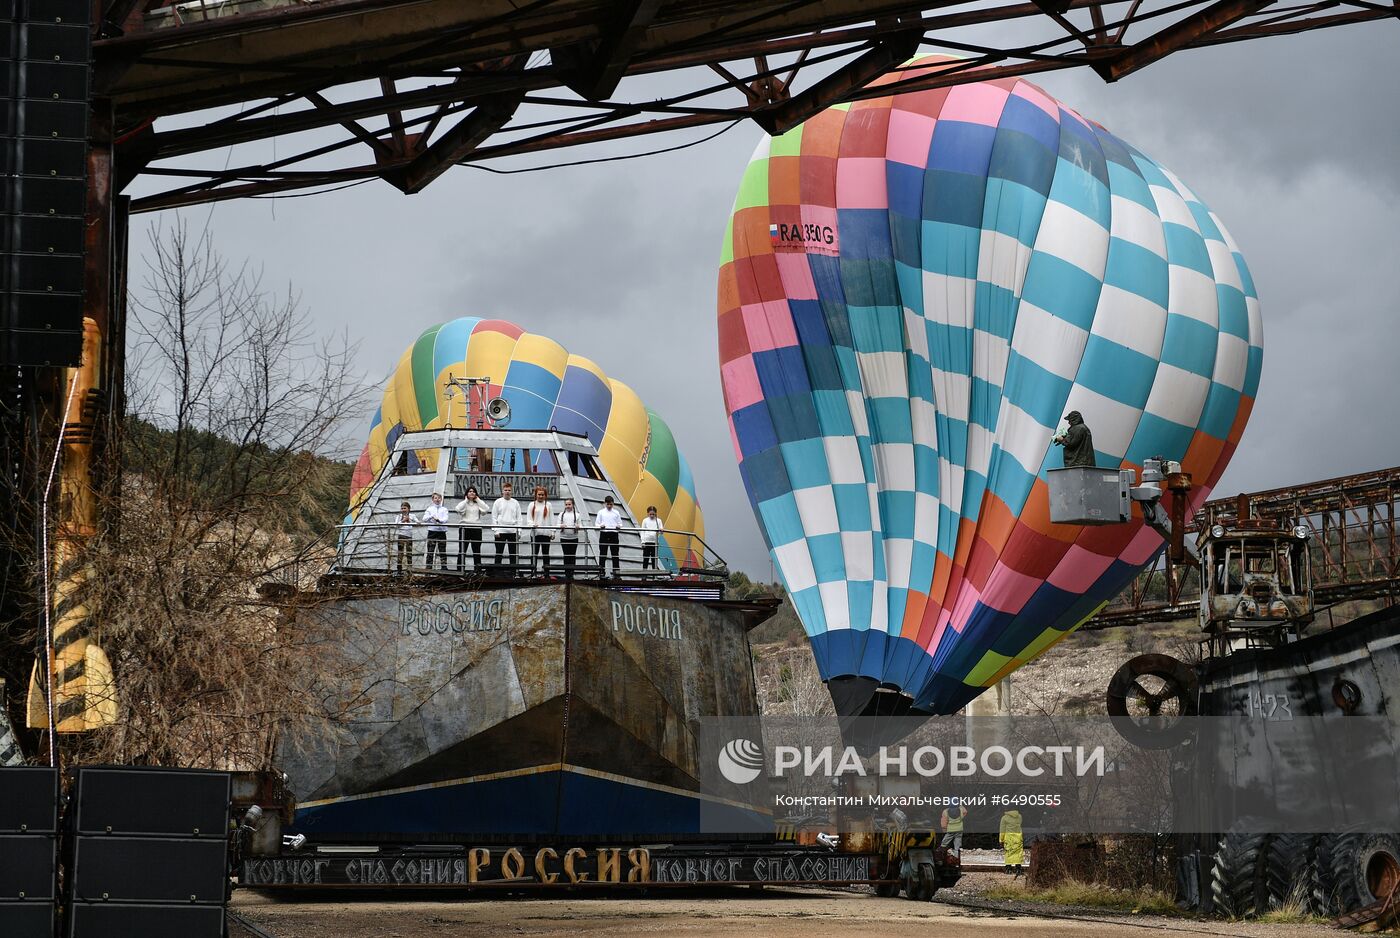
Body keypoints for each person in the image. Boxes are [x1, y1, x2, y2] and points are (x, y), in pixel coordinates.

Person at [491, 481, 522, 572]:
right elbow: (494, 517)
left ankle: (513, 571)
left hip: (512, 531)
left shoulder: (515, 502)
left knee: (513, 553)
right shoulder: (498, 502)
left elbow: (519, 518)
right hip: (500, 531)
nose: (507, 492)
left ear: (511, 491)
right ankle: (496, 572)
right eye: (505, 490)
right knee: (499, 552)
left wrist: (519, 530)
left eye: (509, 490)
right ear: (502, 491)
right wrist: (495, 530)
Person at [454, 486, 486, 571]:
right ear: (467, 493)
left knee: (476, 550)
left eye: (473, 491)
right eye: (470, 491)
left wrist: (478, 499)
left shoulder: (478, 503)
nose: (472, 493)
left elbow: (486, 509)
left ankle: (477, 570)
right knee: (462, 549)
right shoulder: (464, 503)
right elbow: (457, 509)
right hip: (465, 528)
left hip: (476, 528)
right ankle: (460, 569)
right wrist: (465, 500)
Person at [526, 485, 553, 575]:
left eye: (542, 495)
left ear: (545, 495)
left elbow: (551, 518)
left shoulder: (548, 505)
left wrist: (553, 531)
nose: (540, 496)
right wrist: (532, 524)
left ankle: (546, 573)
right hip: (535, 533)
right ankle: (533, 572)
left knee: (546, 554)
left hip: (546, 533)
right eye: (539, 494)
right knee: (534, 553)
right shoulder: (531, 504)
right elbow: (529, 519)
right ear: (536, 495)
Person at [595, 495, 622, 578]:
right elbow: (596, 524)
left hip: (614, 533)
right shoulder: (601, 512)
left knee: (615, 554)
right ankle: (602, 573)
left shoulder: (616, 512)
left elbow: (620, 523)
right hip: (604, 533)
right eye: (608, 504)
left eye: (611, 504)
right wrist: (600, 526)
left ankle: (616, 573)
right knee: (603, 554)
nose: (609, 506)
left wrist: (618, 526)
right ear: (605, 504)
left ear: (613, 504)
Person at [422, 492, 450, 570]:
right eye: (435, 498)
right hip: (432, 531)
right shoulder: (430, 509)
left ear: (441, 499)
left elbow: (445, 519)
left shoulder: (444, 509)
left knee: (442, 550)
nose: (437, 500)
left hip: (441, 531)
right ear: (433, 499)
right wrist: (431, 516)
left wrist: (439, 520)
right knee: (430, 550)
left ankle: (444, 567)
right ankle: (429, 567)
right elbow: (424, 519)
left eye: (439, 498)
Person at [557, 497, 582, 578]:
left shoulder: (577, 515)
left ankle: (572, 573)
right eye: (566, 504)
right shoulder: (561, 514)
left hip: (574, 538)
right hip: (564, 537)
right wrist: (561, 525)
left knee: (572, 555)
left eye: (569, 504)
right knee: (566, 555)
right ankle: (567, 573)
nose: (568, 506)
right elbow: (557, 524)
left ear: (573, 505)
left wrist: (578, 526)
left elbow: (580, 525)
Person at [999, 809, 1024, 877]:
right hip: (1018, 836)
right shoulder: (1019, 816)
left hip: (1009, 837)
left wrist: (1001, 840)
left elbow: (1002, 830)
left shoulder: (1004, 818)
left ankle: (1008, 868)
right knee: (1018, 852)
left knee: (1008, 852)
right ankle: (1018, 868)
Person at [639, 505, 663, 571]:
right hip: (646, 542)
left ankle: (654, 575)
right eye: (650, 514)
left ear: (655, 513)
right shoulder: (645, 520)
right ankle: (644, 575)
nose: (652, 515)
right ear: (648, 513)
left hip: (655, 543)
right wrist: (642, 542)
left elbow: (661, 531)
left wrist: (661, 530)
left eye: (653, 514)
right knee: (645, 559)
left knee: (654, 559)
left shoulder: (659, 521)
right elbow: (642, 531)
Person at [394, 501, 414, 574]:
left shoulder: (412, 516)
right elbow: (396, 525)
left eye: (405, 508)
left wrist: (409, 521)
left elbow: (418, 523)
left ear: (409, 509)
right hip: (401, 536)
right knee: (400, 553)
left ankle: (409, 569)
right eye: (402, 508)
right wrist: (403, 520)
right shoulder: (398, 516)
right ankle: (399, 569)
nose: (403, 510)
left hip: (409, 536)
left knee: (409, 553)